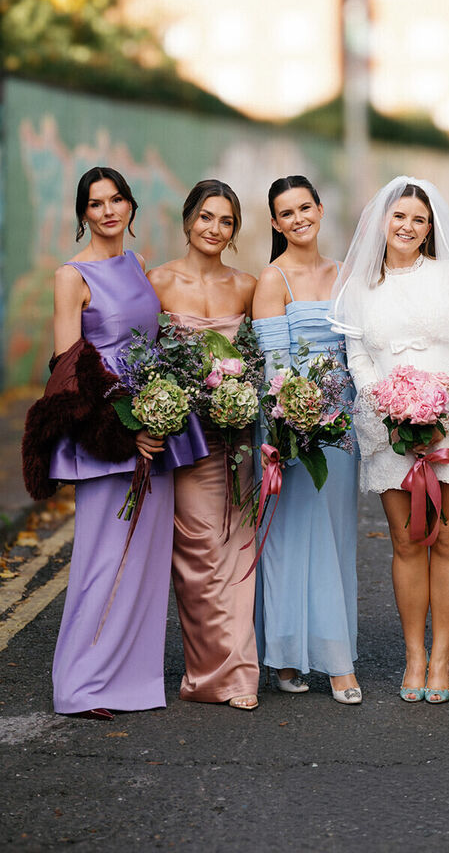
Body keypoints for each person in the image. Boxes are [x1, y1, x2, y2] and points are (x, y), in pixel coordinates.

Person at [21, 167, 203, 719]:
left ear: (130, 205)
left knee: (146, 565)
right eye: (96, 203)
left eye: (117, 199)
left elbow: (152, 344)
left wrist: (162, 410)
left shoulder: (139, 265)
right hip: (107, 433)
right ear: (83, 214)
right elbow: (70, 369)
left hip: (157, 427)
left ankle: (128, 684)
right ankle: (78, 687)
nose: (107, 210)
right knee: (101, 561)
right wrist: (126, 430)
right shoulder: (70, 276)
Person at [330, 177, 449, 704]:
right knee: (405, 541)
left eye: (419, 220)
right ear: (383, 221)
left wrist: (443, 400)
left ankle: (442, 657)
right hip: (388, 425)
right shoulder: (358, 287)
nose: (408, 227)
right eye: (400, 217)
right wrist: (393, 406)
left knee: (446, 538)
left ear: (430, 228)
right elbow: (356, 357)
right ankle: (413, 655)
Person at [148, 179, 260, 711]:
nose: (215, 229)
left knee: (238, 549)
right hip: (187, 442)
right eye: (207, 218)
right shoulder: (160, 282)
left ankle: (240, 673)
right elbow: (143, 363)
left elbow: (259, 362)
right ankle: (210, 673)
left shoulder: (246, 286)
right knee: (198, 552)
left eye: (227, 221)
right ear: (188, 219)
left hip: (235, 438)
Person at [252, 175, 361, 704]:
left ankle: (330, 651)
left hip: (340, 430)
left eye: (305, 208)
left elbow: (355, 355)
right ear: (275, 223)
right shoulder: (273, 280)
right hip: (288, 428)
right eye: (286, 213)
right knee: (290, 542)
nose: (298, 219)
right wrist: (296, 416)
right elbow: (274, 365)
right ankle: (297, 657)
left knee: (334, 541)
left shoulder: (345, 274)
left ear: (320, 208)